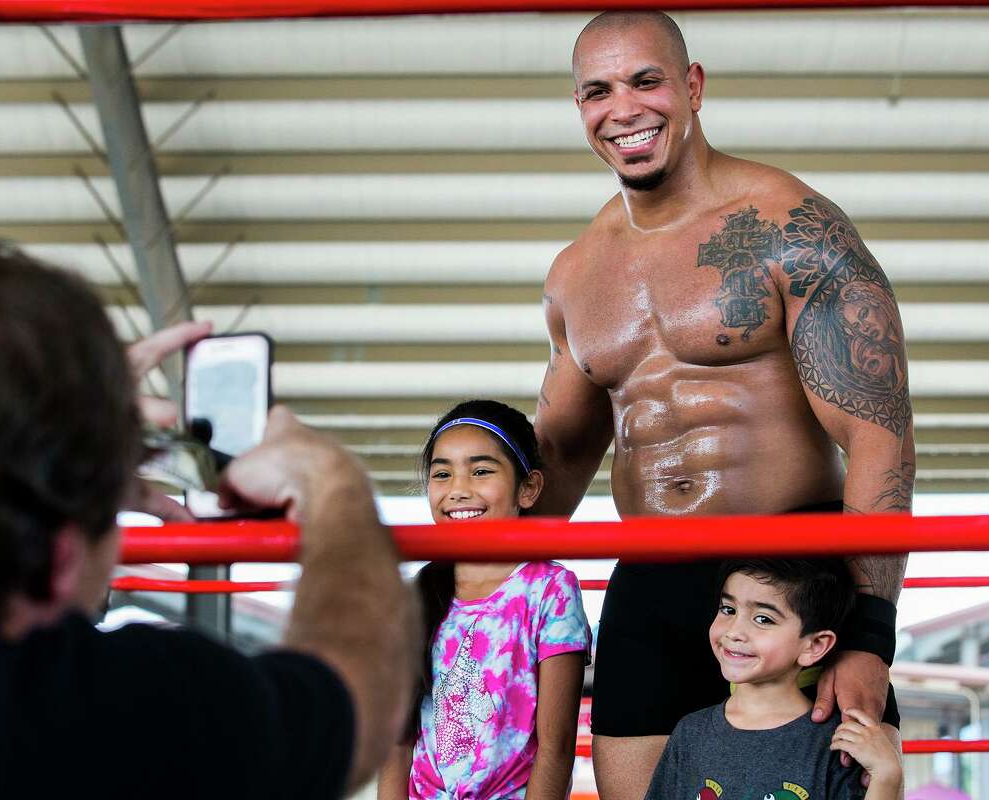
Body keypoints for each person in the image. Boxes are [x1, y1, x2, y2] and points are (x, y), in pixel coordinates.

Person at [532, 11, 914, 799]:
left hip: (792, 578)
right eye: (598, 91)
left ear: (693, 86)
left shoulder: (790, 225)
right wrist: (464, 589)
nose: (624, 109)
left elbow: (878, 434)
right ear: (581, 109)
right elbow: (560, 458)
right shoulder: (576, 272)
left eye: (646, 81)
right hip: (650, 580)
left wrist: (869, 635)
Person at [0, 237, 417, 799]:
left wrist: (37, 421)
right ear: (62, 559)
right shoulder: (110, 709)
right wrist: (331, 481)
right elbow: (358, 697)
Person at [378, 400, 591, 800]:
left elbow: (556, 747)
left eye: (480, 471)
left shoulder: (549, 589)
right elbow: (397, 744)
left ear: (527, 489)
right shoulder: (413, 597)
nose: (458, 490)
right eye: (442, 473)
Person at [644, 559, 903, 800]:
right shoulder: (690, 732)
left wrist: (886, 778)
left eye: (763, 619)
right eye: (728, 609)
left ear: (814, 646)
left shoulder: (836, 742)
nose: (734, 631)